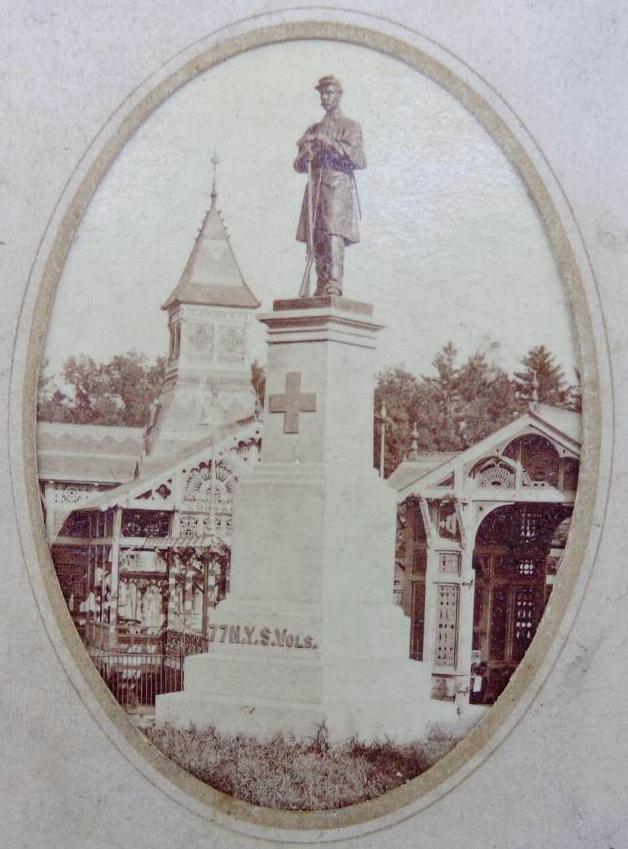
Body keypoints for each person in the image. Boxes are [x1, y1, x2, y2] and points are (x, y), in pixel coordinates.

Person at [295, 76, 366, 296]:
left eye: (329, 93)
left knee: (333, 234)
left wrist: (328, 143)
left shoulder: (350, 126)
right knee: (317, 237)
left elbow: (357, 159)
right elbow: (298, 165)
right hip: (316, 188)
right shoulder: (313, 128)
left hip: (337, 188)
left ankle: (334, 284)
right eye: (322, 94)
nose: (325, 97)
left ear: (339, 95)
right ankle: (320, 284)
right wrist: (306, 153)